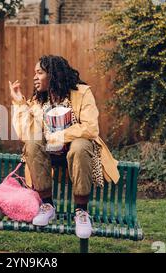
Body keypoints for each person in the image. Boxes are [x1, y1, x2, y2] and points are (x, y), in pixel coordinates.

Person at [10, 55, 120, 239]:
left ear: (53, 75)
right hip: (50, 156)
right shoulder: (39, 101)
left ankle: (81, 212)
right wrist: (20, 103)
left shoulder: (82, 93)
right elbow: (25, 134)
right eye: (35, 73)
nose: (35, 77)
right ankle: (47, 205)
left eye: (40, 73)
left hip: (78, 152)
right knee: (32, 143)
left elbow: (91, 128)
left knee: (79, 144)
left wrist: (58, 136)